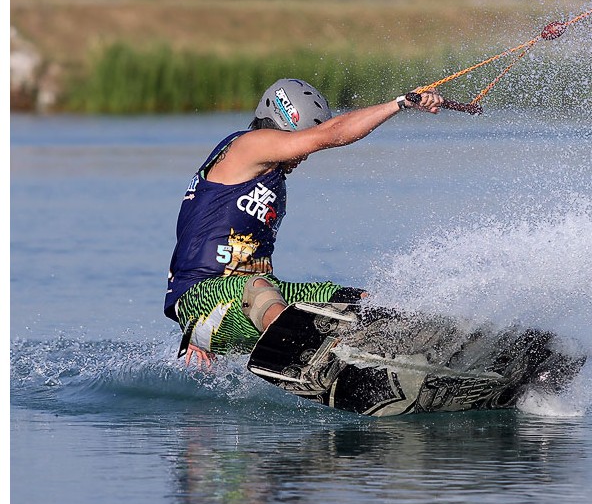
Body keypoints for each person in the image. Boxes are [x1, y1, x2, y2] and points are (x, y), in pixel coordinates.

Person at [165, 78, 444, 367]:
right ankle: (305, 356)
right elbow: (334, 133)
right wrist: (400, 103)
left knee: (351, 300)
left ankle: (411, 352)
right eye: (302, 143)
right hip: (203, 298)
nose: (305, 156)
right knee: (257, 287)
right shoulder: (245, 147)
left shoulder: (269, 178)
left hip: (243, 306)